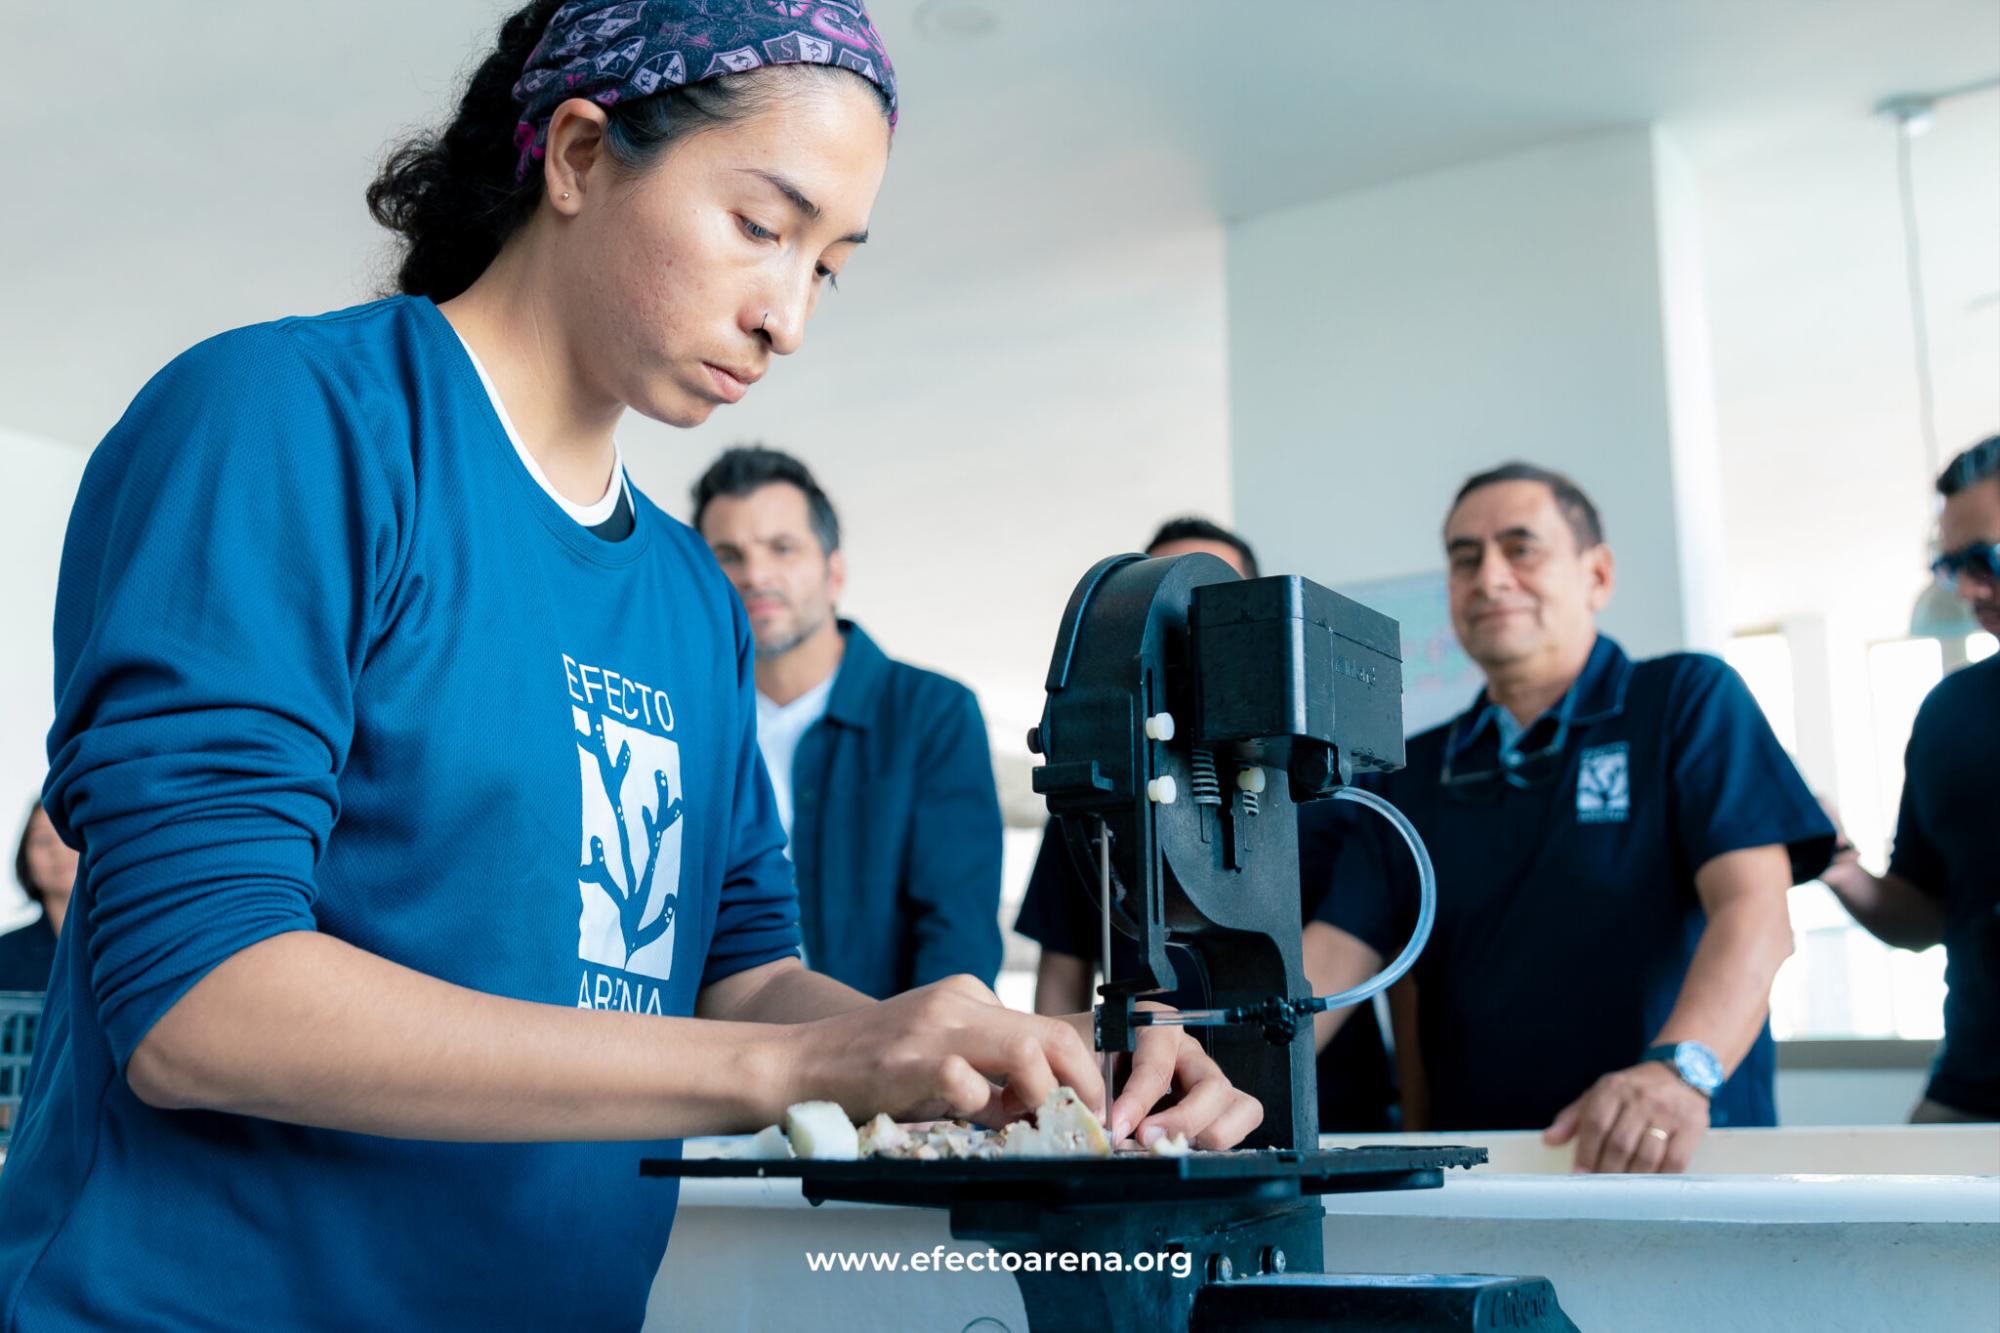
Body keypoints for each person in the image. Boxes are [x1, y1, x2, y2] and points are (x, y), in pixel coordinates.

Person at [0, 5, 1257, 1327]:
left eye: (830, 265)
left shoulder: (686, 600)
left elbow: (739, 969)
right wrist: (798, 1063)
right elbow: (200, 1000)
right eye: (764, 226)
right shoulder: (290, 427)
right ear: (583, 155)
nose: (788, 320)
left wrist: (1021, 1067)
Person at [1304, 462, 1834, 1173]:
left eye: (1521, 548)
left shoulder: (1685, 701)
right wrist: (1195, 1059)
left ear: (1598, 575)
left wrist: (1678, 1072)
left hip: (1681, 1161)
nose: (1489, 577)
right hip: (1495, 1180)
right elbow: (1326, 968)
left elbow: (1757, 914)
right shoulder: (1410, 778)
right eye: (1465, 559)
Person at [1014, 518, 1399, 1131]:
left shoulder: (1326, 785)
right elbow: (1062, 973)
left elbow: (1338, 957)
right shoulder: (1100, 792)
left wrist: (1213, 1089)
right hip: (1146, 1114)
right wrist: (1071, 1099)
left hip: (1314, 1113)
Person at [692, 446, 1003, 997]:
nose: (755, 574)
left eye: (782, 548)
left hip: (882, 1065)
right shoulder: (688, 719)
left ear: (833, 572)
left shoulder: (932, 713)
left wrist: (919, 1065)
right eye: (728, 555)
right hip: (716, 1058)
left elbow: (958, 936)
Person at [1821, 435, 2000, 1123]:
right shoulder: (1950, 711)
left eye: (1985, 560)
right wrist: (1840, 866)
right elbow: (1925, 916)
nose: (1968, 591)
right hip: (1975, 1093)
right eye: (1951, 567)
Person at [0, 805, 75, 992]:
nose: (58, 849)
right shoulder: (4, 956)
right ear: (25, 859)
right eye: (42, 840)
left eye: (69, 835)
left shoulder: (134, 946)